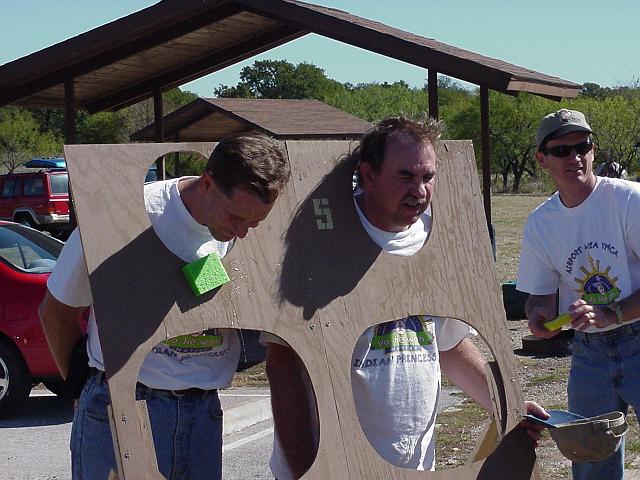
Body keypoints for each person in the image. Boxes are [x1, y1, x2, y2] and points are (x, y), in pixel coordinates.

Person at [263, 116, 547, 479]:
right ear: (367, 175)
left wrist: (507, 404)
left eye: (428, 177)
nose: (420, 190)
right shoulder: (316, 244)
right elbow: (284, 366)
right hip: (336, 466)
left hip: (414, 465)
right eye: (405, 176)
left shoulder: (435, 242)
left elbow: (447, 343)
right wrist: (307, 469)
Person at [38, 134, 290, 480]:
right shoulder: (125, 216)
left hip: (202, 414)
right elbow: (56, 311)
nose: (243, 234)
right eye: (236, 218)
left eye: (255, 223)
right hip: (125, 405)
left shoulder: (244, 229)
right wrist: (79, 385)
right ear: (207, 183)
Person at [517, 108, 640, 480]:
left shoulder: (628, 200)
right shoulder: (541, 223)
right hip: (589, 354)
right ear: (542, 159)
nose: (574, 157)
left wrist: (613, 313)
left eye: (582, 146)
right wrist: (538, 317)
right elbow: (539, 295)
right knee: (590, 456)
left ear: (593, 149)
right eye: (561, 151)